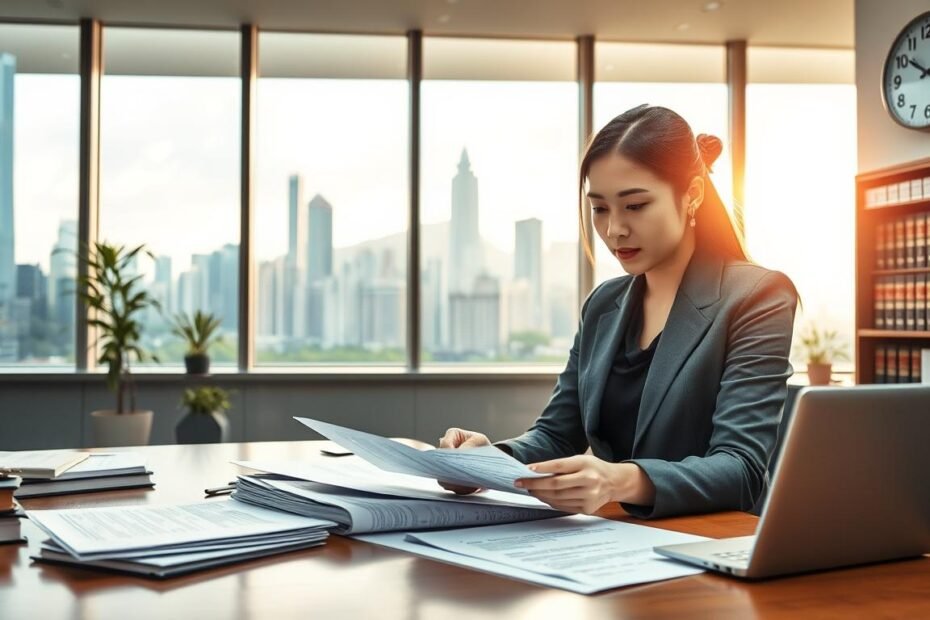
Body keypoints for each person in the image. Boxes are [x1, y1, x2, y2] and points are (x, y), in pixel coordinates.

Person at [438, 104, 800, 519]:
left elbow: (741, 469)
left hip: (710, 547)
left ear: (693, 194)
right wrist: (488, 459)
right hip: (615, 542)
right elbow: (557, 435)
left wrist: (618, 479)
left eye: (635, 206)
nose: (614, 230)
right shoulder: (602, 305)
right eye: (600, 208)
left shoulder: (757, 296)